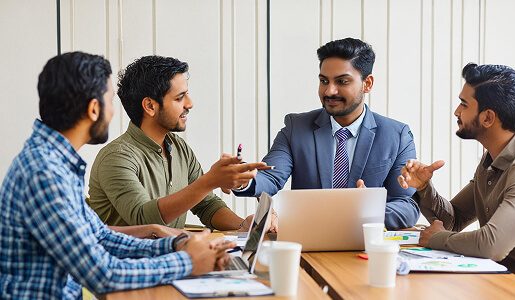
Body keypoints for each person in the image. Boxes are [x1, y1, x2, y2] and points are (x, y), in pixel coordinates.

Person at [0, 52, 234, 299]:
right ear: (93, 109)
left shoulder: (54, 162)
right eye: (110, 100)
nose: (113, 111)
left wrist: (175, 245)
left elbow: (99, 236)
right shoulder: (44, 173)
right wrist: (187, 262)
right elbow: (104, 274)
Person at [398, 63, 515, 290]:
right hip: (500, 283)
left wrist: (436, 238)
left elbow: (491, 245)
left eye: (463, 104)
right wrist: (424, 188)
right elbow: (454, 219)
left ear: (488, 118)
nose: (456, 112)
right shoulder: (492, 159)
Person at [234, 37, 419, 229]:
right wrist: (242, 180)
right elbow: (271, 177)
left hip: (365, 247)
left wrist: (366, 213)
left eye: (342, 81)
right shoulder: (296, 127)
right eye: (324, 81)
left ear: (368, 83)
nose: (329, 91)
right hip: (309, 244)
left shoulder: (397, 135)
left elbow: (407, 205)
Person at [87, 55, 272, 232]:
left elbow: (206, 205)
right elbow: (143, 219)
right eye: (179, 97)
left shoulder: (179, 148)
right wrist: (209, 181)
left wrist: (243, 226)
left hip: (170, 256)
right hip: (129, 262)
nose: (190, 104)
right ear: (150, 106)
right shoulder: (116, 158)